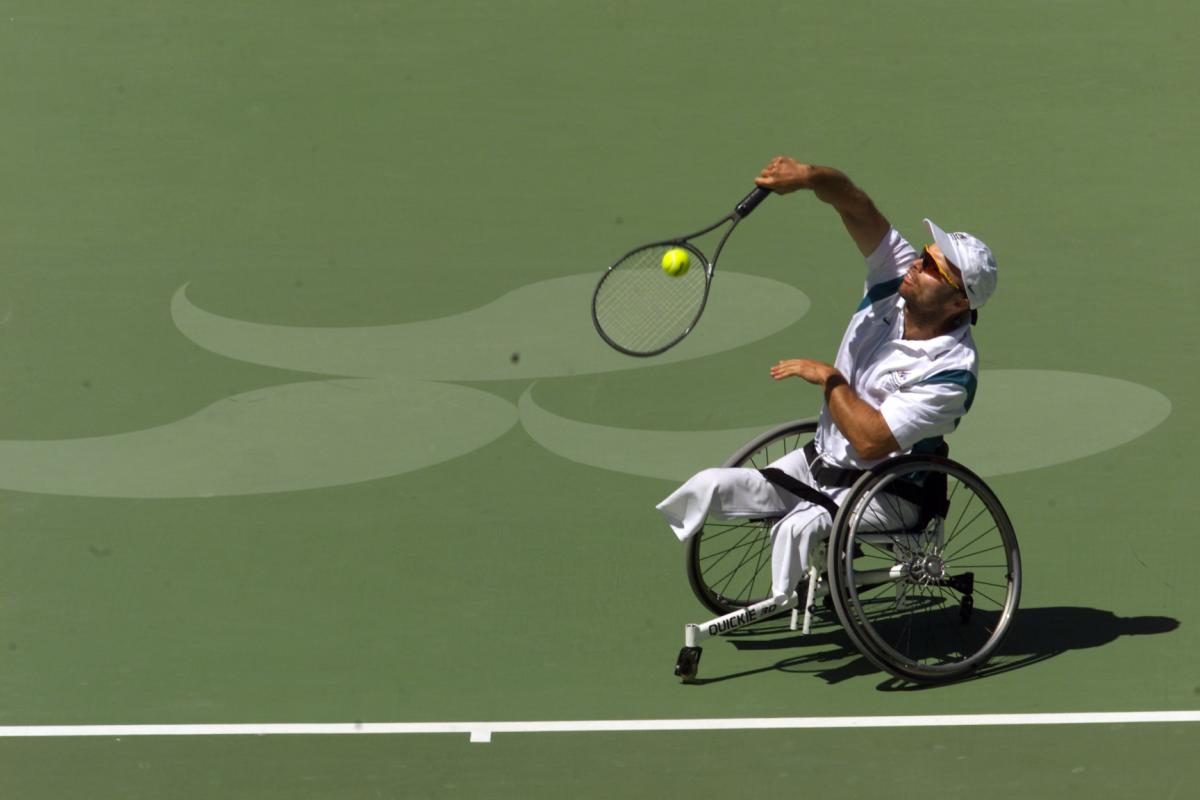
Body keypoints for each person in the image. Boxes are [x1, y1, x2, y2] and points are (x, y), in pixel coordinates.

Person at [656, 156, 999, 604]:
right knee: (710, 486)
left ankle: (780, 599)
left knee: (797, 526)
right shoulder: (894, 278)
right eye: (925, 255)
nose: (918, 264)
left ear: (958, 302)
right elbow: (858, 207)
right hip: (820, 462)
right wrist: (809, 178)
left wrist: (831, 379)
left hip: (889, 492)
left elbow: (874, 441)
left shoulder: (950, 374)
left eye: (935, 269)